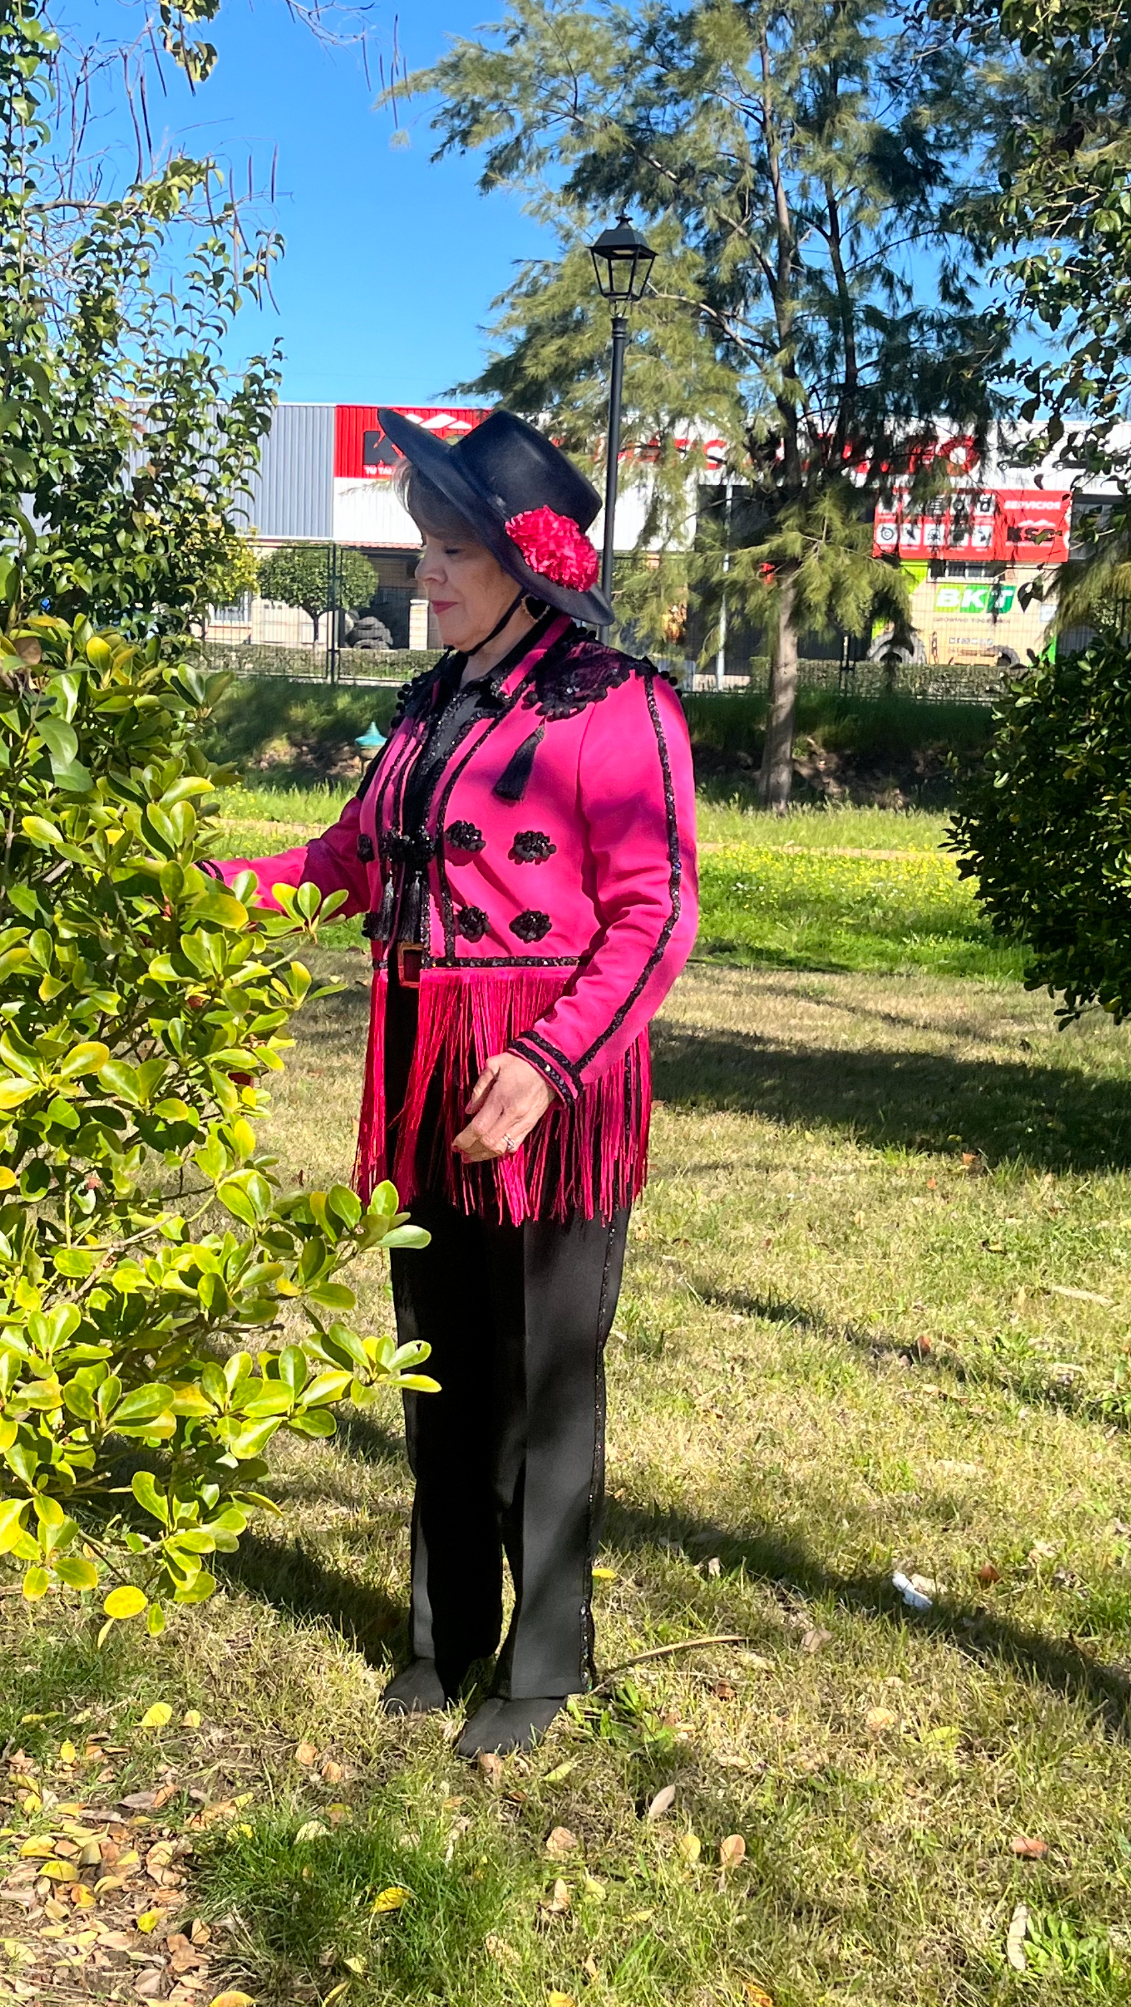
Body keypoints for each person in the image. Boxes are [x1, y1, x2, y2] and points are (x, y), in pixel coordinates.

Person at [212, 408, 698, 1756]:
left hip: (549, 1082)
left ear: (525, 568)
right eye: (421, 545)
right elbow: (342, 863)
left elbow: (655, 914)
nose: (420, 571)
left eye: (447, 552)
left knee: (545, 1377)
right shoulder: (429, 705)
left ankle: (543, 1664)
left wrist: (547, 1065)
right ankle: (447, 1636)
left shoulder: (622, 704)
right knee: (441, 1365)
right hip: (422, 1062)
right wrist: (202, 894)